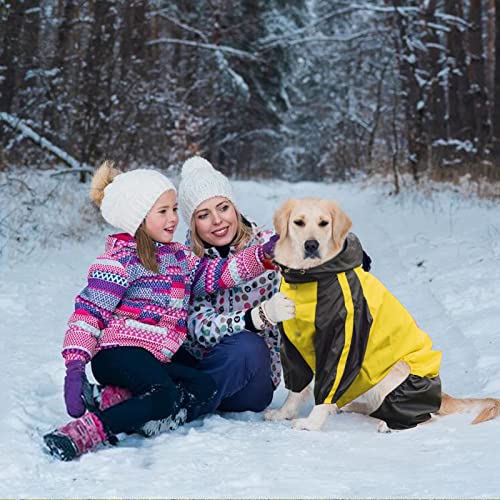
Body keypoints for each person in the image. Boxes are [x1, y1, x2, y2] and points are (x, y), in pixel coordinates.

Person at [42, 161, 279, 461]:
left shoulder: (179, 257)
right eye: (163, 211)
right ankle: (84, 433)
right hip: (119, 352)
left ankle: (116, 400)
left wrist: (261, 255)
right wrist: (75, 367)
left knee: (202, 385)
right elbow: (88, 314)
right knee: (164, 396)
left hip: (157, 355)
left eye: (175, 209)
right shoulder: (118, 262)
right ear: (139, 218)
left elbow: (219, 273)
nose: (173, 219)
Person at [174, 156, 295, 414]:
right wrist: (253, 317)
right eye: (204, 215)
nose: (217, 220)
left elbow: (311, 253)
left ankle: (173, 408)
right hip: (201, 366)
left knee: (247, 345)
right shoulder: (186, 261)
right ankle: (133, 400)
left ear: (234, 207)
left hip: (251, 378)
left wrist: (346, 254)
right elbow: (199, 327)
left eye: (223, 207)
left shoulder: (267, 248)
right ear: (192, 223)